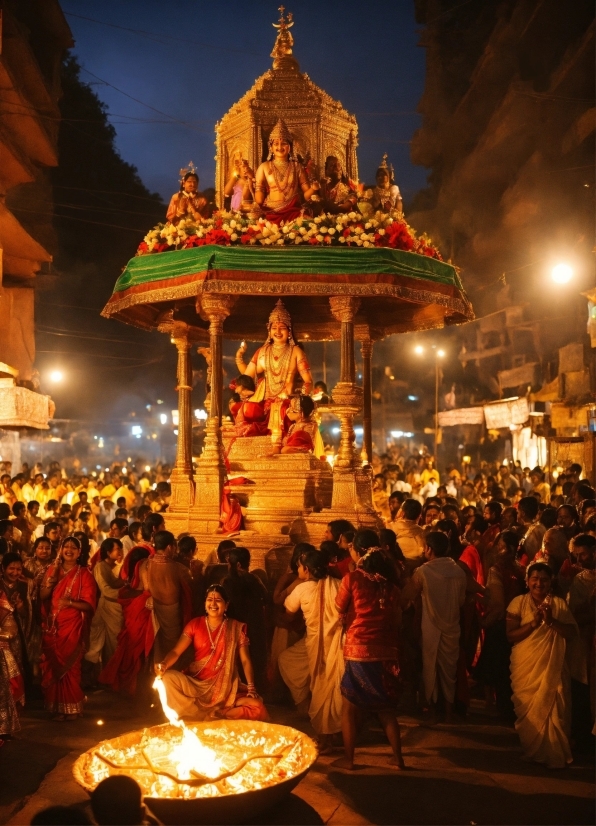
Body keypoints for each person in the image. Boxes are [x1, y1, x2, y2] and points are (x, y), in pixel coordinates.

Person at [334, 529, 405, 770]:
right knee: (385, 708)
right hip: (386, 649)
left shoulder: (353, 579)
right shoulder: (391, 584)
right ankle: (398, 758)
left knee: (349, 707)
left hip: (359, 649)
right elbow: (397, 618)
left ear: (359, 551)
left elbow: (338, 607)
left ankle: (349, 760)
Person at [156, 584, 268, 721]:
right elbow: (176, 652)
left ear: (226, 605)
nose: (213, 604)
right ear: (205, 604)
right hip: (196, 686)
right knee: (168, 678)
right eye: (210, 599)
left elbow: (245, 660)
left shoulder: (235, 627)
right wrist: (164, 664)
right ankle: (202, 714)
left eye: (218, 600)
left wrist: (251, 687)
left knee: (257, 706)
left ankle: (216, 714)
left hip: (225, 691)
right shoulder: (194, 624)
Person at [506, 562, 579, 768]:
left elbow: (572, 634)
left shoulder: (559, 604)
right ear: (527, 581)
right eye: (535, 579)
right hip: (526, 665)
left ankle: (555, 754)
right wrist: (533, 623)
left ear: (551, 582)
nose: (539, 583)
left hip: (553, 667)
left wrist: (550, 621)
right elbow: (511, 636)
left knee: (556, 705)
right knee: (530, 705)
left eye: (544, 580)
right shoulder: (518, 603)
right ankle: (534, 750)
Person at [279, 546, 344, 751]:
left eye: (299, 567)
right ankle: (333, 731)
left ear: (306, 569)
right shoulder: (339, 584)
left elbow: (288, 612)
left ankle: (325, 736)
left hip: (318, 641)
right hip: (334, 642)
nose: (298, 571)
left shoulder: (302, 588)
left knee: (321, 684)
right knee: (331, 684)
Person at [402, 532, 466, 721]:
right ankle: (447, 710)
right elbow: (461, 601)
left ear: (429, 549)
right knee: (448, 669)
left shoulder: (423, 571)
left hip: (430, 626)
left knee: (429, 666)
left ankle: (429, 709)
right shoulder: (459, 571)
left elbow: (407, 595)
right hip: (453, 626)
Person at [234, 301, 313, 445]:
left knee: (280, 410)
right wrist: (239, 357)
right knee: (247, 409)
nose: (278, 331)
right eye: (274, 328)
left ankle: (278, 445)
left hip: (286, 400)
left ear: (289, 331)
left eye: (282, 328)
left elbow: (308, 381)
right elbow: (247, 375)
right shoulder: (262, 352)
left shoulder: (296, 352)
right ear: (269, 330)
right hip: (265, 400)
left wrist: (301, 400)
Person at [39, 536, 96, 720]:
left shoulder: (84, 574)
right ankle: (57, 707)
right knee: (54, 666)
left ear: (79, 553)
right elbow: (43, 596)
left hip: (72, 627)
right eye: (66, 547)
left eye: (73, 548)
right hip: (52, 627)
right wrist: (52, 578)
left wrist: (70, 603)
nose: (69, 550)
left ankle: (72, 708)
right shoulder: (52, 569)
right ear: (61, 550)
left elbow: (89, 605)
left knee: (71, 668)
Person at [475, 530, 525, 719]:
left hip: (500, 624)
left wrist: (484, 622)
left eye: (499, 545)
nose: (496, 549)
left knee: (493, 667)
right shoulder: (519, 568)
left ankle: (494, 709)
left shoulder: (497, 569)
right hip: (517, 623)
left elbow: (498, 604)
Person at [137, 530, 192, 663]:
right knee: (174, 646)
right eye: (174, 547)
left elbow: (145, 589)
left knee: (158, 642)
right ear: (169, 547)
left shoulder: (145, 565)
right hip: (172, 613)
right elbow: (190, 588)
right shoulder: (179, 568)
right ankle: (169, 673)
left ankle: (156, 671)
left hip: (154, 609)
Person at [254, 118, 320, 223]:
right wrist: (257, 201)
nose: (280, 147)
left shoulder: (297, 167)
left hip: (293, 210)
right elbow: (259, 195)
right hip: (271, 211)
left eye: (284, 143)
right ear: (270, 147)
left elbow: (307, 195)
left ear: (289, 147)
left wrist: (313, 188)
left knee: (309, 222)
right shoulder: (264, 167)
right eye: (276, 143)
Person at [221, 547, 269, 693]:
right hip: (256, 629)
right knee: (254, 660)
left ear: (238, 565)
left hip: (237, 628)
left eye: (229, 563)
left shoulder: (228, 581)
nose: (228, 567)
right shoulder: (255, 579)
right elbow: (266, 599)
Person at [85, 539, 124, 677]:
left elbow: (115, 583)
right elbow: (106, 590)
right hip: (107, 607)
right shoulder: (100, 567)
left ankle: (108, 675)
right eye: (117, 549)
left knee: (109, 642)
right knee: (109, 642)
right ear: (108, 552)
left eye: (120, 549)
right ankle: (107, 675)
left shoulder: (111, 566)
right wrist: (127, 593)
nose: (120, 552)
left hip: (110, 607)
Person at [390, 498, 425, 563]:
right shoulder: (423, 532)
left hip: (400, 566)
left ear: (402, 513)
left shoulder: (391, 527)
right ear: (419, 516)